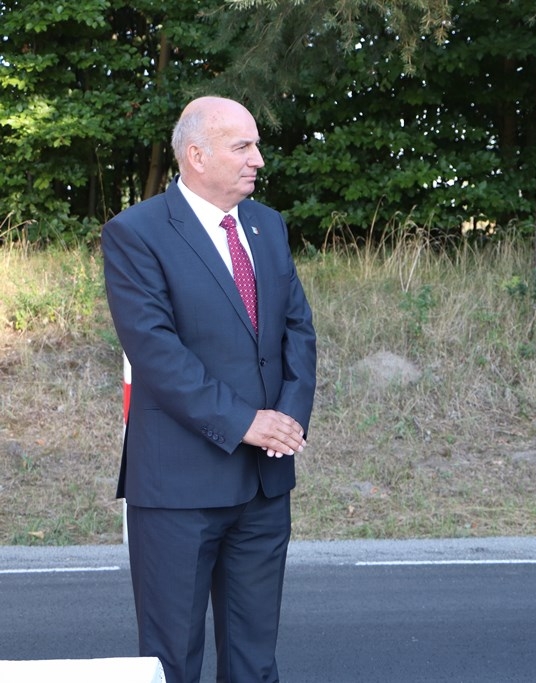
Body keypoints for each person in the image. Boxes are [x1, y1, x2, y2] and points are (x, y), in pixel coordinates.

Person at [102, 95, 317, 683]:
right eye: (242, 147)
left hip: (264, 484)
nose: (258, 160)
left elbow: (297, 331)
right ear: (196, 156)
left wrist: (286, 423)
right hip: (178, 489)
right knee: (171, 661)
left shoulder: (267, 226)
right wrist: (247, 423)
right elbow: (157, 353)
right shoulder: (136, 233)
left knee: (255, 662)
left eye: (256, 146)